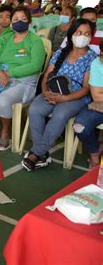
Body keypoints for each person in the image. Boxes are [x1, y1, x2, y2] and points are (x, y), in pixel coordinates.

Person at [22, 19, 97, 171]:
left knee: (60, 113)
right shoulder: (60, 53)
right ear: (72, 34)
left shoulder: (92, 58)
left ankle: (36, 153)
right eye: (79, 33)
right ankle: (42, 154)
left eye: (87, 34)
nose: (82, 36)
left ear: (91, 36)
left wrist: (66, 98)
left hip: (77, 96)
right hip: (54, 91)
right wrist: (45, 92)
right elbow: (47, 76)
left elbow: (86, 88)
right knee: (35, 109)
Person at [0, 6, 45, 151]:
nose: (19, 22)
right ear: (11, 22)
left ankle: (5, 133)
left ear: (29, 21)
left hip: (25, 80)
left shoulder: (35, 41)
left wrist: (9, 73)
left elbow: (35, 65)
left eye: (23, 19)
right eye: (15, 19)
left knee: (4, 99)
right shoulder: (5, 38)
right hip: (1, 76)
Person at [73, 40, 103, 169]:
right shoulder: (97, 63)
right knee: (80, 126)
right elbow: (97, 96)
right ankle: (95, 152)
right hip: (100, 104)